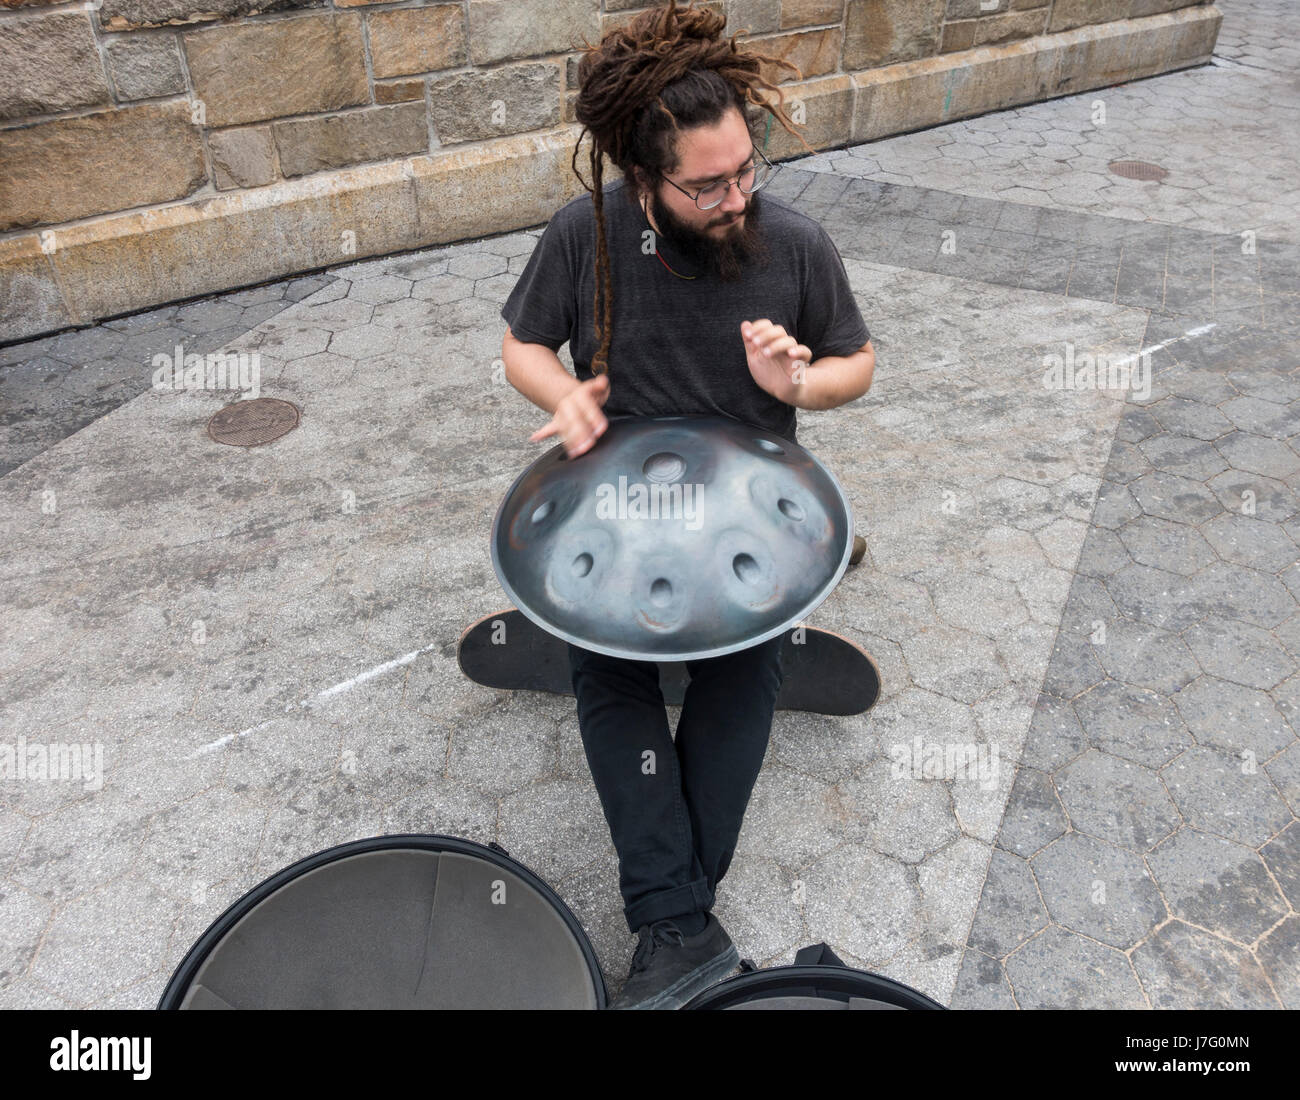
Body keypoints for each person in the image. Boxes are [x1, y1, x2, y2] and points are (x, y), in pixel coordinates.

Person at [498, 0, 875, 1009]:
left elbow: (858, 361)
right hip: (619, 503)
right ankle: (682, 920)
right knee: (611, 677)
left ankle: (673, 918)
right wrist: (561, 391)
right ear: (641, 178)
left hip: (742, 513)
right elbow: (521, 345)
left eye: (745, 168)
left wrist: (803, 387)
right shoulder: (584, 236)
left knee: (737, 672)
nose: (735, 196)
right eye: (706, 184)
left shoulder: (791, 242)